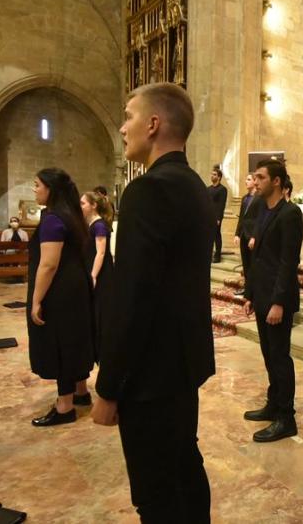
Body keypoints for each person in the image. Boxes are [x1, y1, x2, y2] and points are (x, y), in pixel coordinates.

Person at [92, 82, 215, 520]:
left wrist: (109, 386)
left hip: (150, 373)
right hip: (182, 364)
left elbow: (134, 298)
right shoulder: (195, 186)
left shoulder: (148, 191)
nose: (123, 128)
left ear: (154, 123)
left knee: (156, 493)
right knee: (184, 466)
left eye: (128, 116)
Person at [241, 158, 303, 443]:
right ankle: (273, 403)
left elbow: (288, 263)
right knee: (268, 354)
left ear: (276, 181)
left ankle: (286, 417)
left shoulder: (290, 213)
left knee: (280, 357)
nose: (256, 181)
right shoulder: (261, 209)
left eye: (261, 177)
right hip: (263, 293)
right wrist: (250, 294)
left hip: (278, 298)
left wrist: (278, 302)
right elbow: (257, 258)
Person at [27, 168, 95, 427]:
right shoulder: (72, 216)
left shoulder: (53, 219)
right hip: (76, 287)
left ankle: (65, 406)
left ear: (50, 189)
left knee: (60, 342)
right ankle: (80, 392)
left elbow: (48, 264)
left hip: (59, 290)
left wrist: (36, 300)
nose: (34, 190)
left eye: (37, 185)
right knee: (75, 338)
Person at [81, 190, 114, 364]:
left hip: (101, 273)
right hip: (92, 270)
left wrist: (93, 276)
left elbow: (101, 253)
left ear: (93, 206)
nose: (80, 206)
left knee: (101, 311)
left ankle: (103, 351)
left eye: (83, 203)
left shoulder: (99, 225)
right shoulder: (91, 224)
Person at [234, 174, 260, 296]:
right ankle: (247, 288)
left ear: (255, 181)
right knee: (245, 263)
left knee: (253, 263)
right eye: (246, 179)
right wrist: (237, 234)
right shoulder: (244, 198)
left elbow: (259, 219)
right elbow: (241, 218)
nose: (246, 181)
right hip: (244, 233)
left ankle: (253, 290)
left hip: (252, 235)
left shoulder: (260, 198)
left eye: (249, 179)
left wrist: (254, 236)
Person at [208, 166, 229, 263]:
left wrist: (218, 218)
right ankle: (209, 254)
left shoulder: (222, 189)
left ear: (219, 177)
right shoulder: (208, 189)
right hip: (209, 215)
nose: (212, 176)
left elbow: (221, 205)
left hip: (216, 217)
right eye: (212, 174)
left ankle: (217, 256)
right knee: (209, 236)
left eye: (214, 175)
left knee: (216, 235)